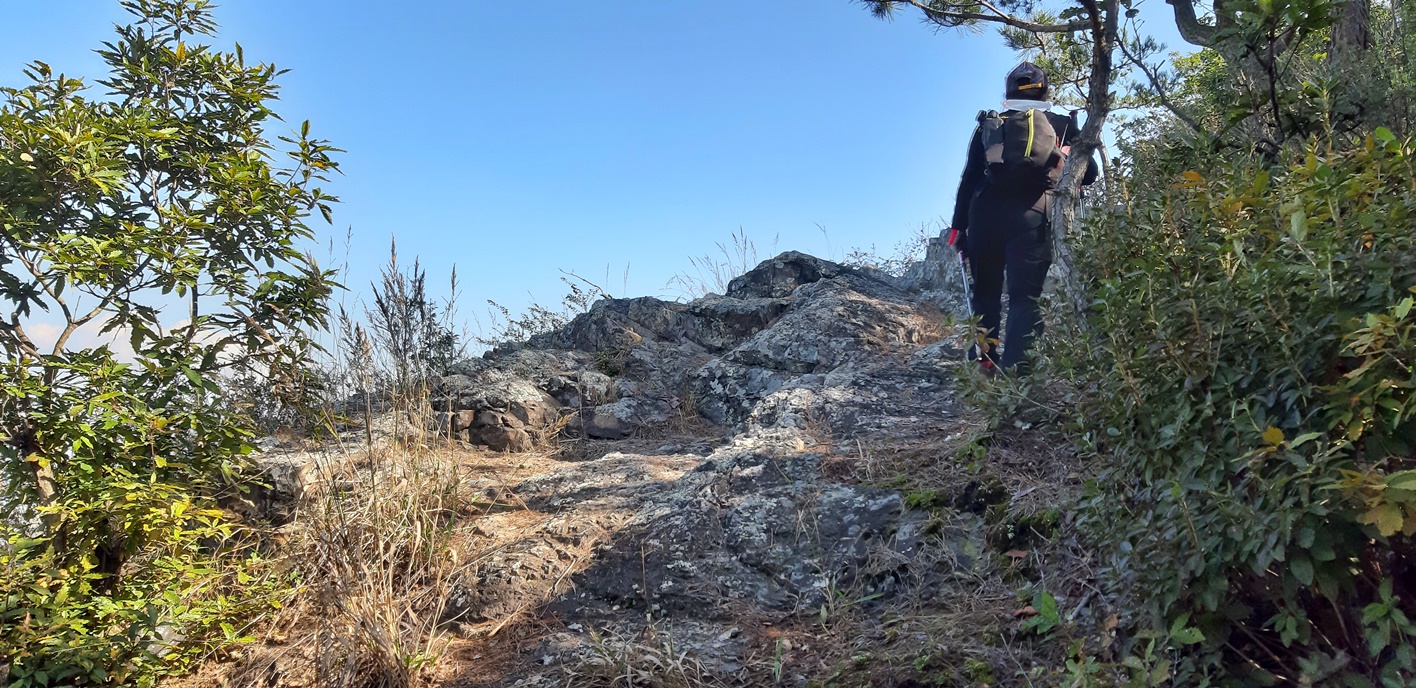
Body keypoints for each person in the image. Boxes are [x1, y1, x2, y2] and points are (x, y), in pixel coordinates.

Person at [950, 62, 1097, 374]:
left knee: (985, 292)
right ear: (1044, 91)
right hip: (1033, 215)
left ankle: (984, 361)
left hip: (984, 215)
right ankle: (1017, 374)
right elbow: (1089, 174)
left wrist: (957, 228)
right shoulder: (1061, 124)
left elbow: (970, 177)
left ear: (1008, 92)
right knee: (1024, 298)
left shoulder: (989, 124)